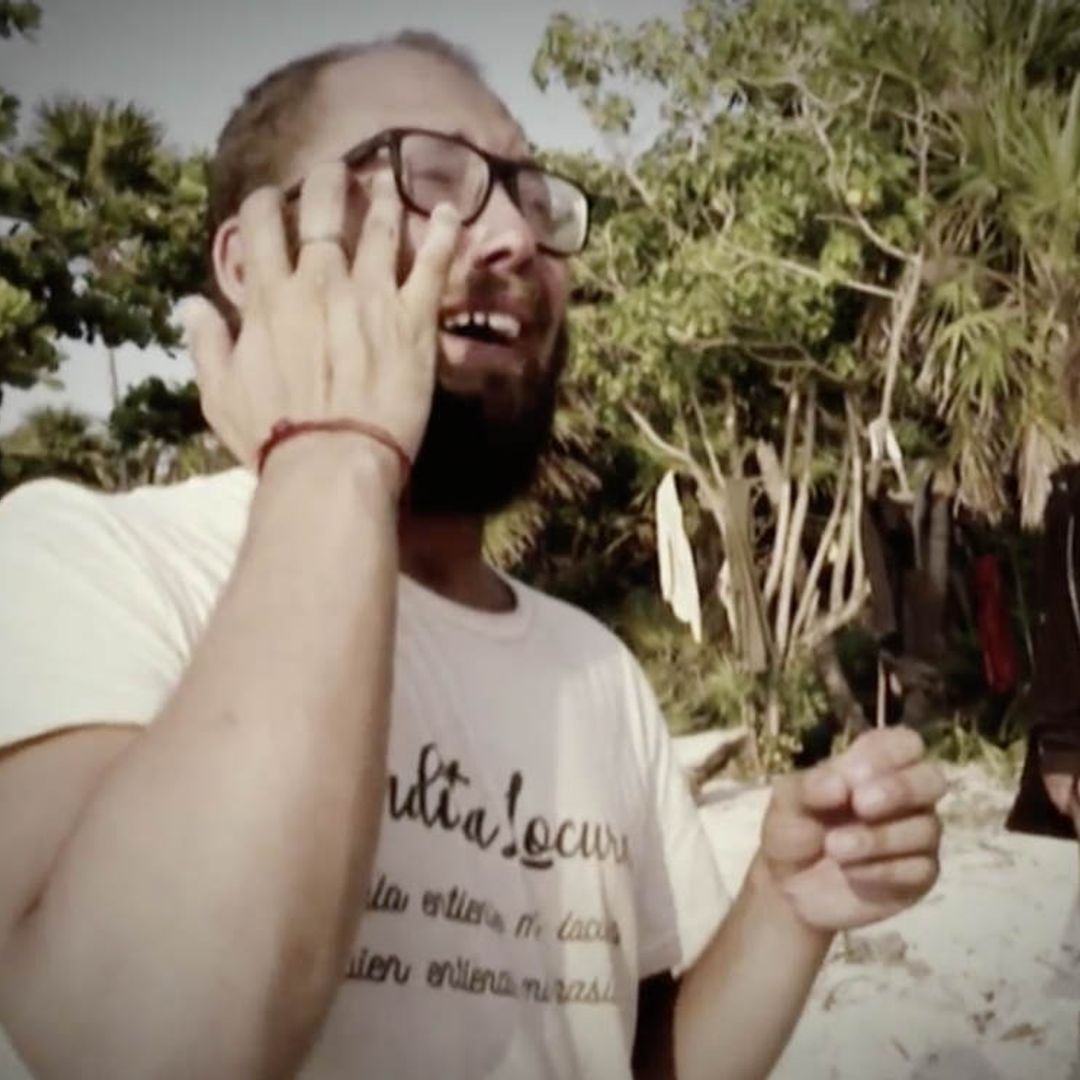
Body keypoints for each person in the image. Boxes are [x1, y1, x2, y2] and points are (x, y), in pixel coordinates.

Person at [0, 32, 946, 1080]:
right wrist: (335, 450)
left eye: (533, 196)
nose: (510, 234)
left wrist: (783, 906)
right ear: (250, 260)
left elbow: (634, 1061)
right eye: (429, 174)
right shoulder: (81, 561)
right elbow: (153, 1046)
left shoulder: (595, 670)